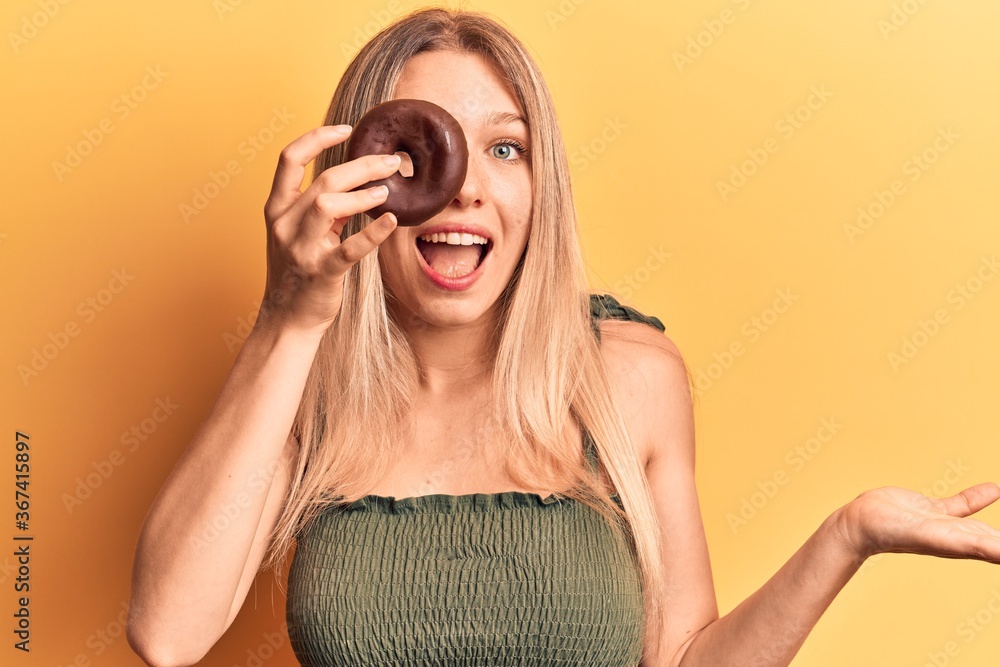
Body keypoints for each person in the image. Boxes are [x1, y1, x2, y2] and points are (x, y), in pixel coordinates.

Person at [125, 7, 1000, 667]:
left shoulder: (628, 376)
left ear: (544, 187)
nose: (465, 187)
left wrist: (847, 535)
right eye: (426, 150)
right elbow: (166, 631)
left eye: (506, 149)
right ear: (358, 179)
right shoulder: (303, 382)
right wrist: (291, 314)